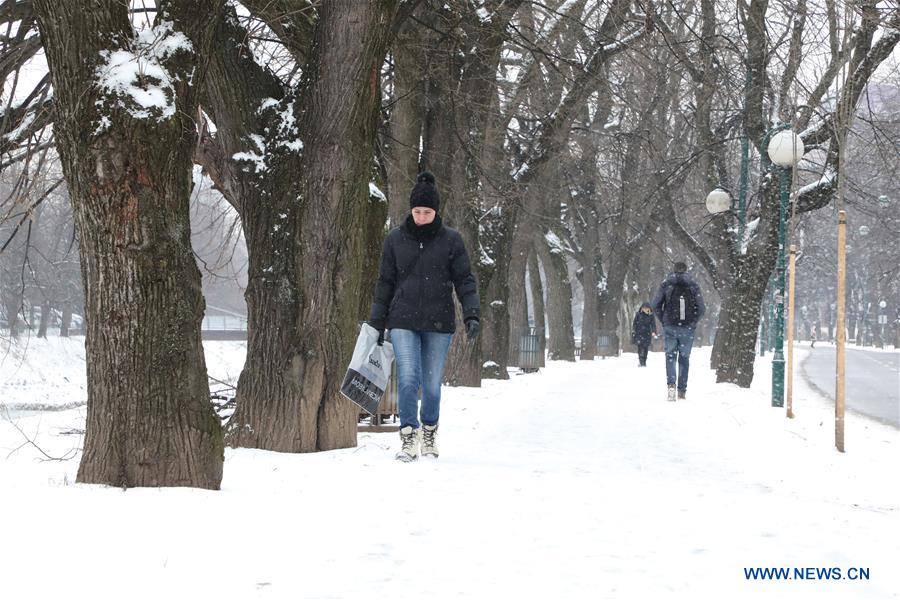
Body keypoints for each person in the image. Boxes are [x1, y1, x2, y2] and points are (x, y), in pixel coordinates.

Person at [368, 172, 481, 461]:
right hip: (403, 320)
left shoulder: (451, 241)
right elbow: (385, 283)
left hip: (439, 322)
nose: (421, 217)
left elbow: (465, 280)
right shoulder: (395, 239)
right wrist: (377, 322)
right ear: (411, 210)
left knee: (431, 384)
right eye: (417, 211)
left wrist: (471, 313)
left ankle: (429, 430)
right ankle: (408, 435)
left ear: (436, 212)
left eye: (427, 212)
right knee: (408, 379)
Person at [651, 261, 705, 401]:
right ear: (686, 270)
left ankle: (671, 386)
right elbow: (701, 308)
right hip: (687, 328)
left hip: (670, 326)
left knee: (670, 356)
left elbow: (655, 305)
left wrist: (664, 320)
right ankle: (682, 390)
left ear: (674, 270)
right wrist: (693, 322)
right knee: (684, 358)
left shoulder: (666, 284)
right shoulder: (693, 286)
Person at [631, 302, 657, 367]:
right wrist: (634, 330)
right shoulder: (638, 314)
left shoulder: (651, 315)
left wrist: (654, 332)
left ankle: (644, 361)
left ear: (649, 308)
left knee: (645, 348)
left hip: (647, 334)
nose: (645, 309)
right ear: (641, 308)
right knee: (640, 347)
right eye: (643, 308)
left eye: (646, 308)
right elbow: (634, 323)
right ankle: (641, 361)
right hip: (639, 333)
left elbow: (653, 324)